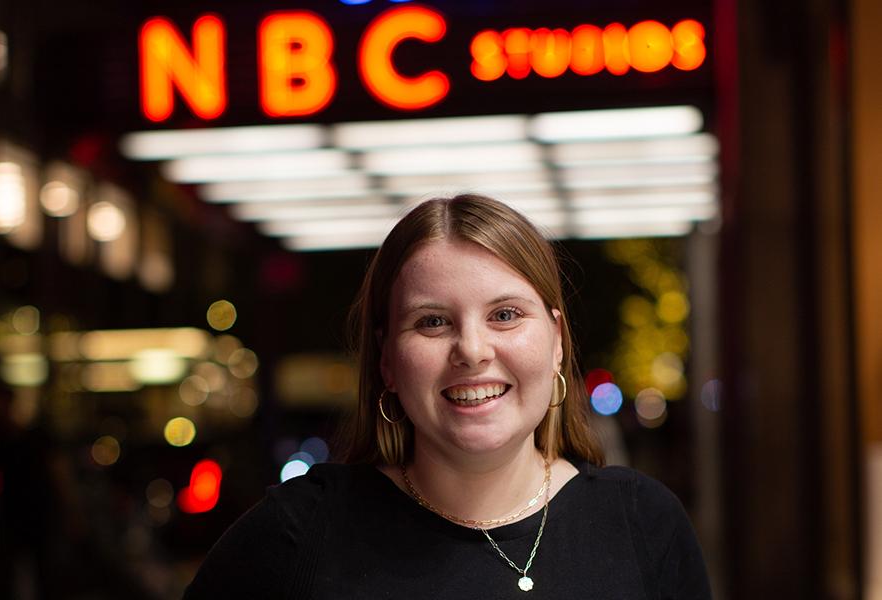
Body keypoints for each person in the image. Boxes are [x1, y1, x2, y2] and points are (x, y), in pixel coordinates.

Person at [183, 194, 712, 599]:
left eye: (505, 314)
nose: (473, 350)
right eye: (432, 322)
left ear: (557, 343)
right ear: (387, 360)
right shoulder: (299, 535)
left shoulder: (643, 522)